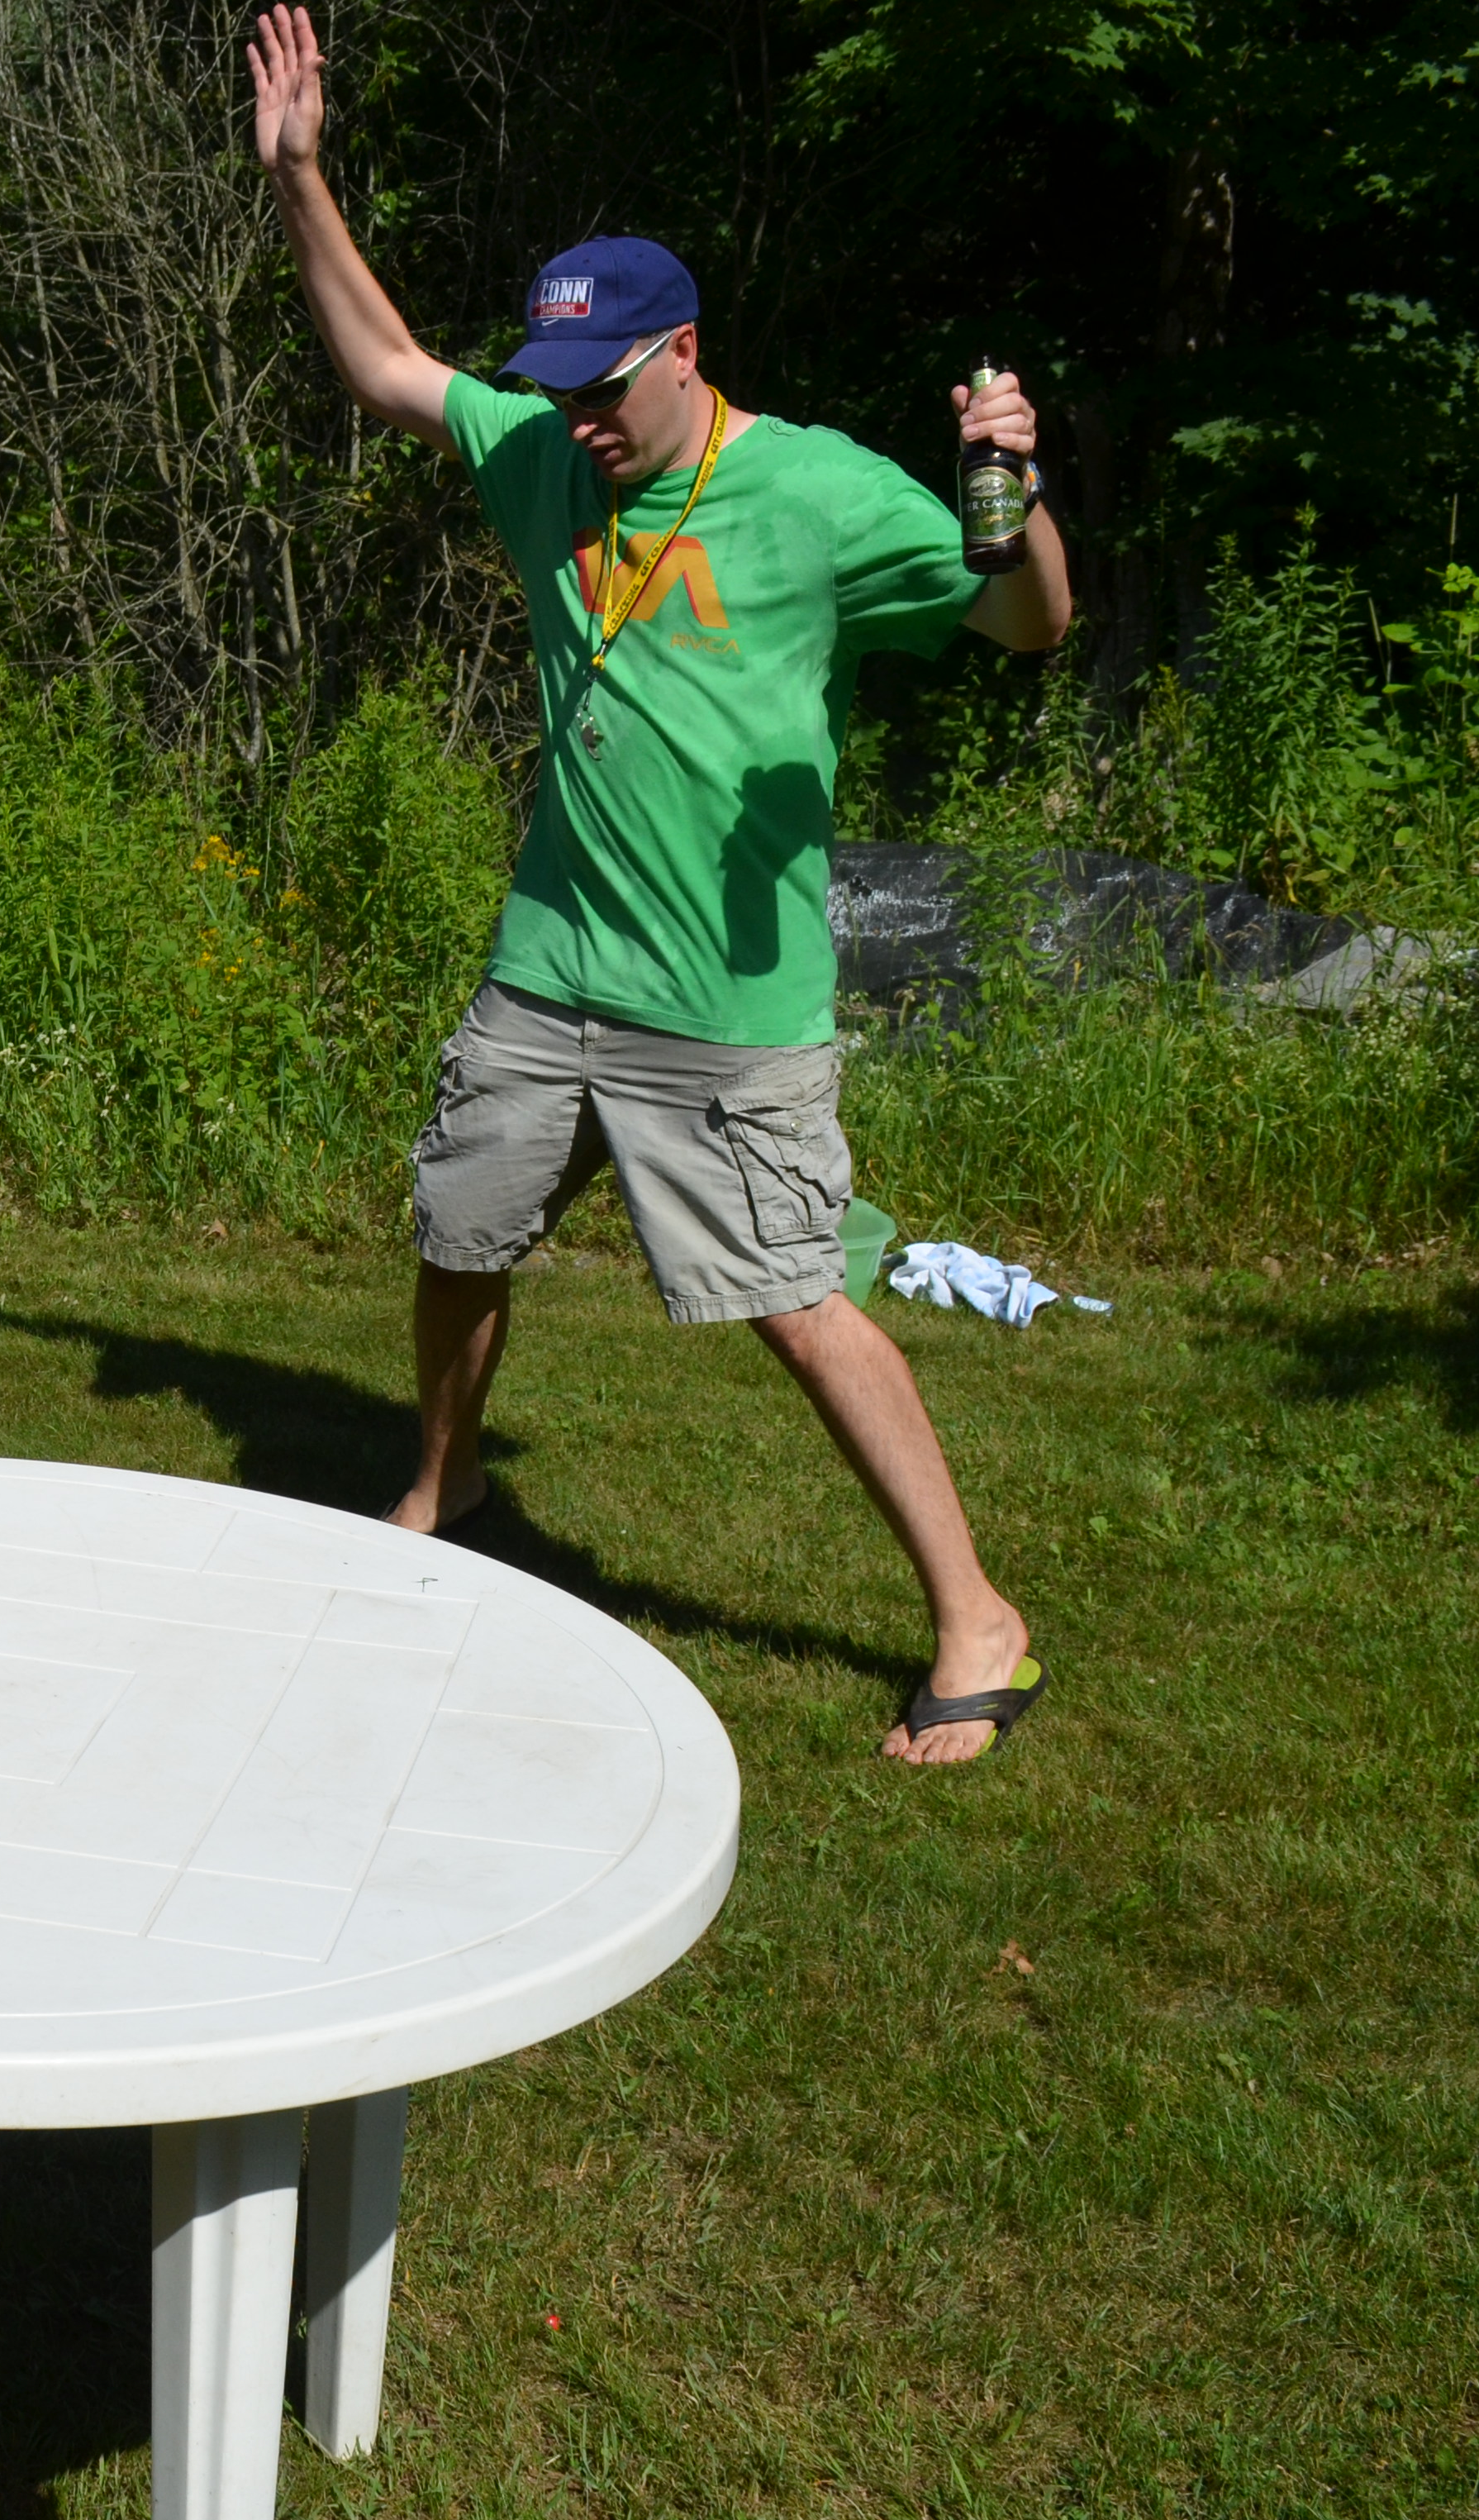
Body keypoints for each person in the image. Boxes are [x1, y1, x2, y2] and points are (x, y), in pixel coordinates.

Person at [247, 5, 1071, 1762]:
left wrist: (1008, 493)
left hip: (721, 1004)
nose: (579, 423)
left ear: (681, 353)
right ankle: (448, 1491)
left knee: (794, 1299)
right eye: (557, 390)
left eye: (604, 389)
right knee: (459, 1235)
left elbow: (1026, 620)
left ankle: (977, 1617)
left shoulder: (816, 493)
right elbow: (387, 366)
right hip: (546, 967)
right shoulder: (543, 454)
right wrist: (301, 175)